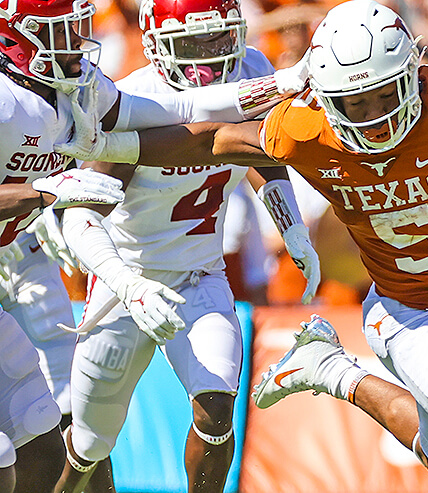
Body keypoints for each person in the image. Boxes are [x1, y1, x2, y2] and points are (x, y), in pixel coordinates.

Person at [57, 1, 428, 491]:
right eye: (353, 100)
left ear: (412, 74)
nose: (370, 115)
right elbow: (214, 138)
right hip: (407, 312)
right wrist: (109, 142)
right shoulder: (308, 124)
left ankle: (331, 371)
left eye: (382, 94)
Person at [0, 0, 308, 490]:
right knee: (74, 447)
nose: (210, 58)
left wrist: (292, 227)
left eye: (219, 39)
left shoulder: (89, 86)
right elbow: (82, 209)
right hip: (124, 280)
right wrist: (50, 200)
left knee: (209, 411)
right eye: (192, 44)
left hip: (199, 274)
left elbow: (213, 128)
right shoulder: (30, 100)